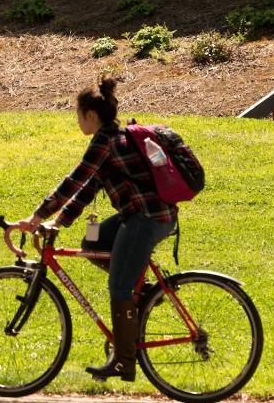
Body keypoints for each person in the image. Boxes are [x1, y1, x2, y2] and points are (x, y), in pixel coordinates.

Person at [16, 77, 177, 383]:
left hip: (147, 218)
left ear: (91, 115)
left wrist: (37, 215)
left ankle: (124, 361)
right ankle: (143, 293)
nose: (77, 121)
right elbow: (89, 188)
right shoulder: (113, 140)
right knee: (95, 242)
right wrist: (59, 222)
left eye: (78, 115)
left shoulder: (104, 141)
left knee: (119, 288)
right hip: (144, 214)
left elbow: (74, 179)